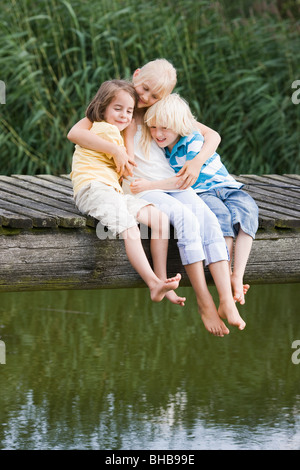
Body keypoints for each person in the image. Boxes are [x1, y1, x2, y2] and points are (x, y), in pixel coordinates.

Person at [68, 60, 245, 336]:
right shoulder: (116, 108)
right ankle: (204, 300)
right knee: (185, 219)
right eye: (145, 89)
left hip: (171, 183)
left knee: (208, 220)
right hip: (144, 187)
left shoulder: (159, 111)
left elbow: (212, 135)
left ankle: (224, 298)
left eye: (155, 96)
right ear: (136, 75)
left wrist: (197, 162)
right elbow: (79, 133)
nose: (146, 98)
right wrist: (117, 158)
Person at [139, 93, 259, 305]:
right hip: (203, 194)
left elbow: (179, 179)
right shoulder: (163, 149)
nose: (157, 133)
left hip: (224, 185)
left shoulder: (192, 139)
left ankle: (237, 274)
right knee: (220, 217)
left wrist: (149, 186)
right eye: (153, 127)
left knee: (248, 211)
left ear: (178, 126)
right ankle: (226, 271)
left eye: (164, 128)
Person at [69, 79, 182, 303]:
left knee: (159, 220)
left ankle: (162, 282)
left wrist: (128, 132)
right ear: (102, 108)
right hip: (93, 188)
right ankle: (154, 282)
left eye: (129, 111)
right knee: (130, 228)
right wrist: (129, 135)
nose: (124, 115)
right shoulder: (105, 129)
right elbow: (128, 167)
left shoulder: (111, 130)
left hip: (112, 192)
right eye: (117, 109)